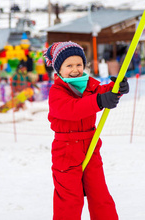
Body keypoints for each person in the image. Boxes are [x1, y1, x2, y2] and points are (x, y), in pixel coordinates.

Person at [44, 41, 129, 220]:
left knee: (100, 195)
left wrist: (117, 89)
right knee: (69, 201)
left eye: (79, 64)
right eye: (69, 65)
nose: (75, 69)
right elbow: (72, 109)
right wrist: (99, 101)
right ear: (59, 69)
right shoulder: (57, 91)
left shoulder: (88, 83)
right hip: (66, 151)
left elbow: (101, 92)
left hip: (90, 147)